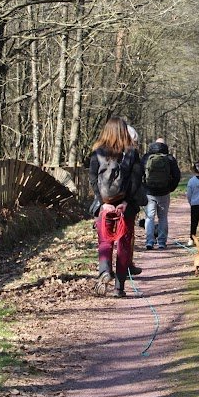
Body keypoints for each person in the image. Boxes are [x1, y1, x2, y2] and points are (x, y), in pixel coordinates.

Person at [88, 116, 145, 297]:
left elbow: (92, 179)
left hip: (104, 207)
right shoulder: (132, 153)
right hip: (125, 207)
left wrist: (103, 202)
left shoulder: (97, 152)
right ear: (124, 131)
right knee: (124, 243)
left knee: (105, 241)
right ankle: (119, 288)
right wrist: (125, 202)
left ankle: (105, 270)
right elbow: (136, 180)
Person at [141, 137, 181, 249]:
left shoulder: (146, 157)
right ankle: (162, 242)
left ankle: (149, 241)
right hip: (164, 192)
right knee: (163, 218)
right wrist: (170, 188)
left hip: (149, 193)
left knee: (149, 217)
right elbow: (177, 176)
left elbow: (139, 174)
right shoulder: (170, 158)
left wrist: (144, 187)